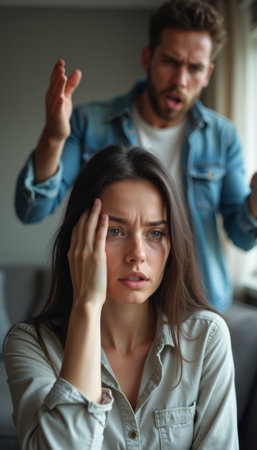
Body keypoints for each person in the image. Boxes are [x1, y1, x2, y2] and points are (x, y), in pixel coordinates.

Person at [13, 0, 257, 446]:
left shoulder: (222, 136)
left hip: (193, 307)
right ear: (148, 59)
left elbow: (241, 233)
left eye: (194, 67)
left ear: (208, 73)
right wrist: (53, 137)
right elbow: (34, 208)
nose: (179, 79)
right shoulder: (92, 121)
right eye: (169, 61)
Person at [5, 146, 238, 449]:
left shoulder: (207, 337)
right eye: (115, 231)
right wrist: (86, 307)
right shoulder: (30, 345)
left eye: (155, 233)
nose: (137, 255)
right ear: (78, 240)